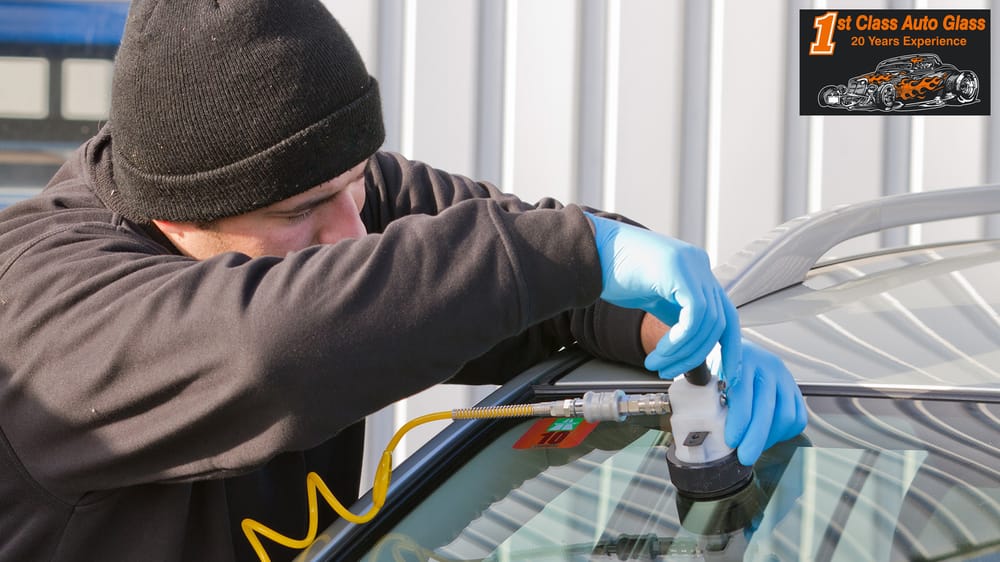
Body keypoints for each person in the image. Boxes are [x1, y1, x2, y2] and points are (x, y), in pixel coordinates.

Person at [0, 1, 806, 561]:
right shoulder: (45, 312)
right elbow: (272, 347)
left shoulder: (321, 190)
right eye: (303, 212)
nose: (354, 231)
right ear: (176, 219)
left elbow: (515, 279)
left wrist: (670, 335)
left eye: (357, 183)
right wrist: (577, 253)